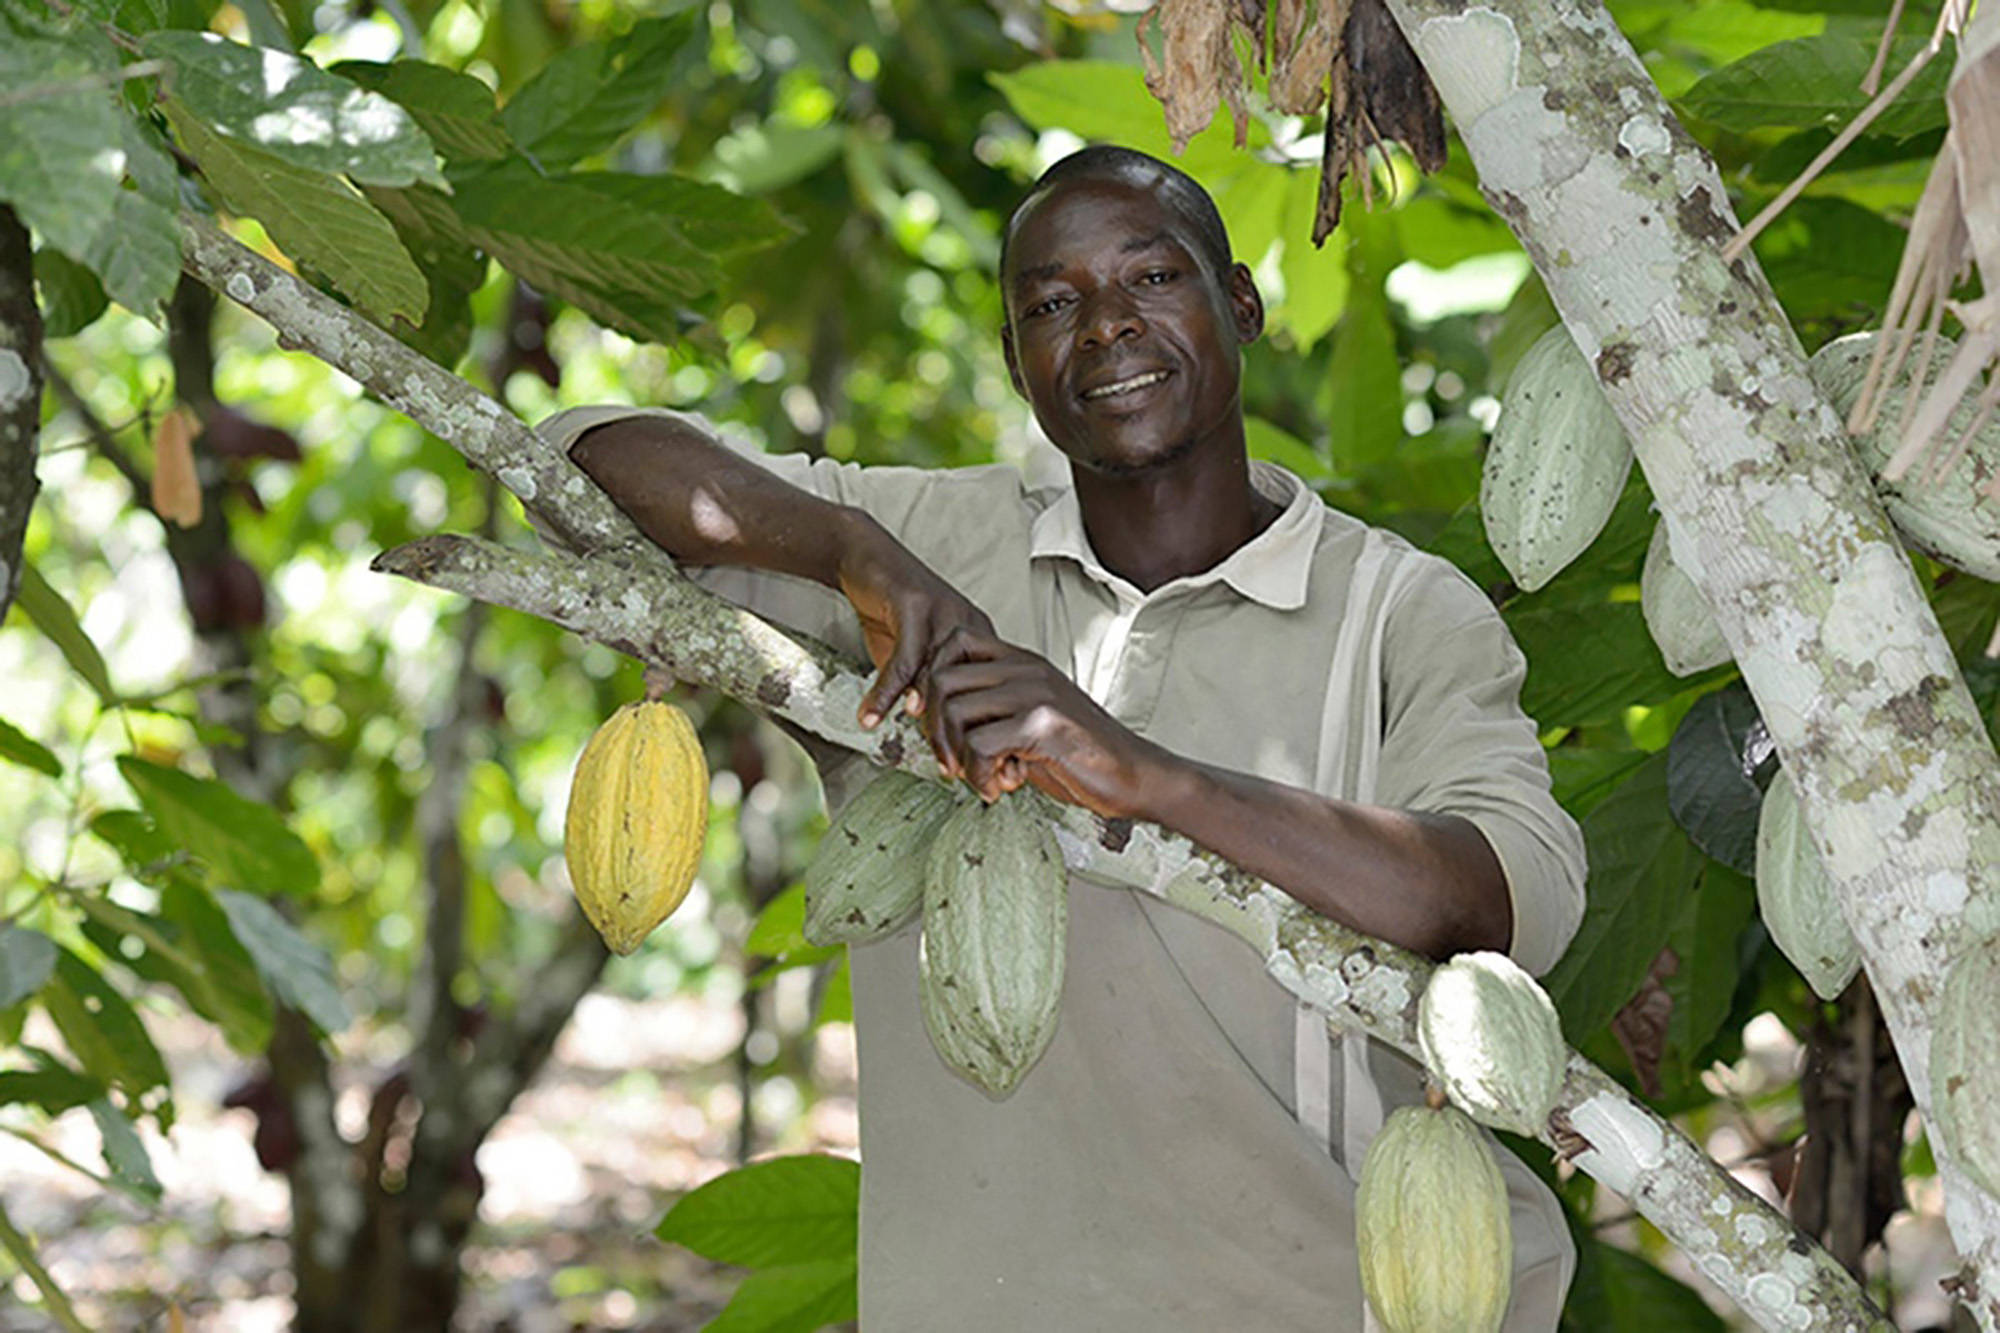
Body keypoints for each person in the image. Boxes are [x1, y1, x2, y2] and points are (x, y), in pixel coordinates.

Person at [542, 144, 1587, 1330]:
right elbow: (578, 462)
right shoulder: (936, 543)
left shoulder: (1397, 610)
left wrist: (1139, 774)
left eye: (1149, 279)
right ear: (1017, 361)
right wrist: (850, 552)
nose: (1102, 327)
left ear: (1237, 303)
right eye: (1050, 303)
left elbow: (1502, 897)